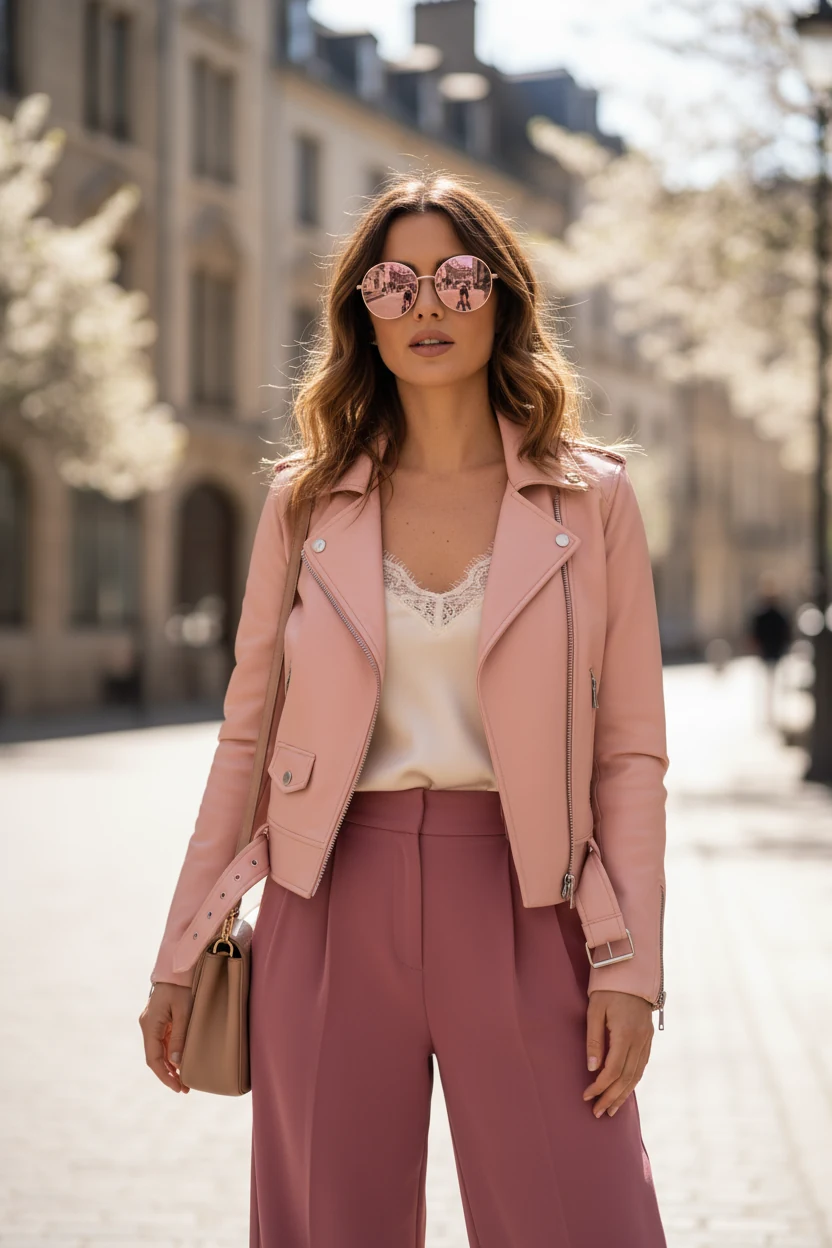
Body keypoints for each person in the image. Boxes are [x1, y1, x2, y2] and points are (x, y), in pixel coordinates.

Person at [140, 172, 669, 1247]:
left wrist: (633, 970)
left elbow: (628, 756)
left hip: (534, 903)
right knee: (329, 1227)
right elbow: (247, 733)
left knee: (579, 1222)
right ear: (362, 316)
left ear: (502, 300)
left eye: (456, 278)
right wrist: (181, 947)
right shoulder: (304, 499)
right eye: (394, 283)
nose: (426, 304)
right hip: (326, 897)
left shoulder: (592, 498)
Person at [746, 570, 792, 728]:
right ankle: (768, 714)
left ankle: (771, 714)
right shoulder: (764, 614)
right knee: (767, 684)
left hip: (773, 652)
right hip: (769, 653)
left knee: (772, 684)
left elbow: (785, 633)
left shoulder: (776, 613)